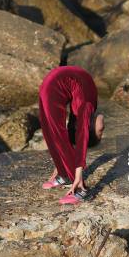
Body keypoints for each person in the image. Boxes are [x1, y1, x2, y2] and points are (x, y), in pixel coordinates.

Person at [38, 66, 105, 205]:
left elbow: (77, 135)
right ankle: (77, 184)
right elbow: (80, 136)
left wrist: (64, 165)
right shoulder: (88, 106)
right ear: (89, 126)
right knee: (54, 131)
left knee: (52, 131)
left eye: (99, 132)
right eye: (101, 131)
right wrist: (69, 169)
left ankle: (71, 179)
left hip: (53, 80)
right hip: (55, 81)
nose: (102, 128)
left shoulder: (85, 109)